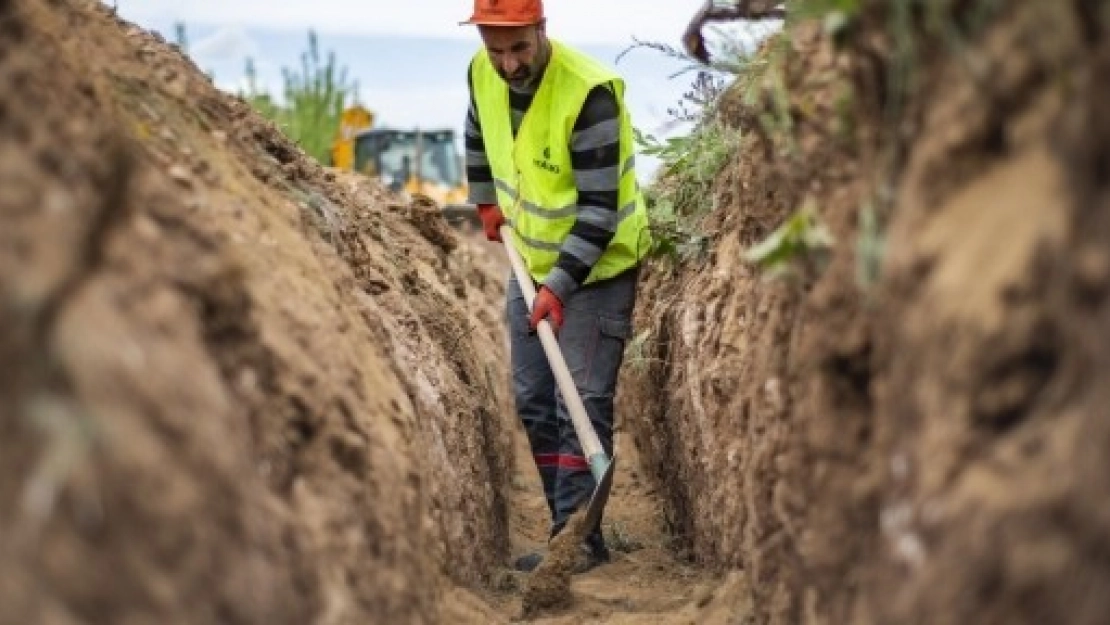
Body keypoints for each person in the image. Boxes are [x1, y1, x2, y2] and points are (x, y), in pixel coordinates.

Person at [460, 0, 651, 574]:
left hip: (600, 266)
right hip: (534, 259)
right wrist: (485, 198)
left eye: (519, 47)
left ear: (542, 29)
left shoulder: (588, 94)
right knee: (535, 401)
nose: (509, 64)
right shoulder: (482, 70)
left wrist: (561, 286)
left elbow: (599, 211)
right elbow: (477, 129)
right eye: (496, 49)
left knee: (583, 403)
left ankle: (579, 543)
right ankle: (562, 526)